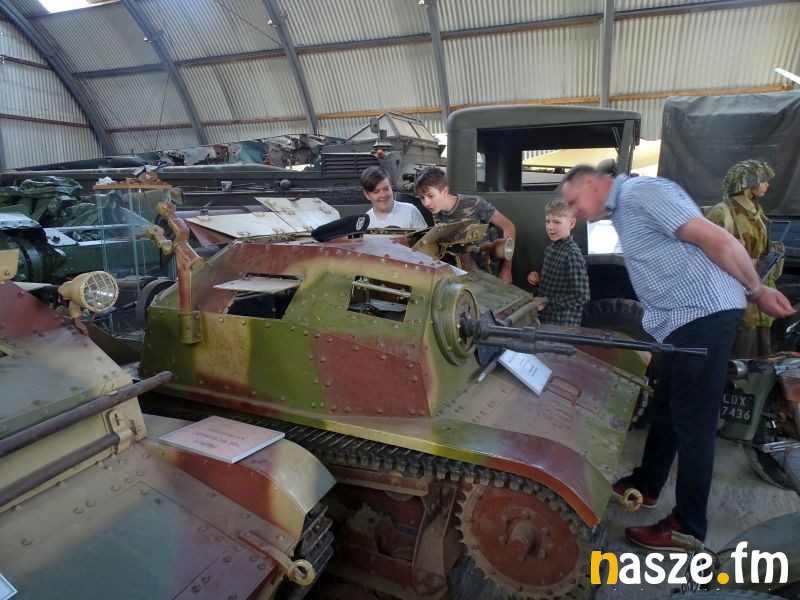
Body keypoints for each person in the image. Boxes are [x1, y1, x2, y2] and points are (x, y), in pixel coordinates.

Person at [558, 165, 793, 550]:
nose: (574, 212)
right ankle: (647, 484)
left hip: (705, 314)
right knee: (666, 404)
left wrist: (757, 290)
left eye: (573, 202)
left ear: (590, 184)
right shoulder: (623, 208)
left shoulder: (642, 195)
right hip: (683, 321)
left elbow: (718, 240)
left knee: (694, 424)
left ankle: (688, 526)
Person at [706, 160, 779, 357]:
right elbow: (707, 256)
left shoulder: (756, 212)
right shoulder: (723, 212)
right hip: (734, 292)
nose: (767, 184)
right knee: (738, 349)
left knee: (760, 350)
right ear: (747, 184)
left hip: (757, 290)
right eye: (762, 180)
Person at [414, 166, 516, 283]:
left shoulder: (475, 204)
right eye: (422, 198)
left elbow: (509, 226)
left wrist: (507, 269)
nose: (426, 203)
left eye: (430, 196)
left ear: (445, 191)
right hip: (466, 277)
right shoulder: (437, 212)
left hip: (491, 275)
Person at [527, 199, 590, 326]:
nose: (550, 227)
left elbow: (582, 296)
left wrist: (548, 301)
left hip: (562, 324)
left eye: (557, 222)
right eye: (547, 221)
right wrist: (538, 280)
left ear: (571, 223)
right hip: (546, 319)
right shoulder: (551, 249)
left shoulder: (572, 254)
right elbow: (557, 283)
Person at [361, 166, 428, 229]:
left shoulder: (410, 211)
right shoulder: (363, 223)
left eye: (386, 189)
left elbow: (426, 237)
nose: (383, 195)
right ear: (367, 194)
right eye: (376, 192)